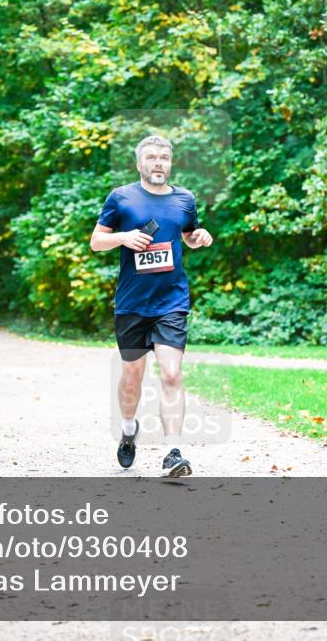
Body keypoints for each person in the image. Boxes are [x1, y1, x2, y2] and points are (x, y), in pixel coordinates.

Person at [89, 135, 213, 477]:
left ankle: (174, 451)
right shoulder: (121, 198)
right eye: (152, 158)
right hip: (131, 303)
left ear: (170, 163)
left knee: (171, 373)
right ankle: (129, 430)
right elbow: (96, 241)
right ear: (140, 163)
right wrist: (123, 237)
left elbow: (187, 232)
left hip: (171, 300)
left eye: (164, 158)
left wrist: (199, 237)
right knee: (132, 377)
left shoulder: (184, 199)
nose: (159, 163)